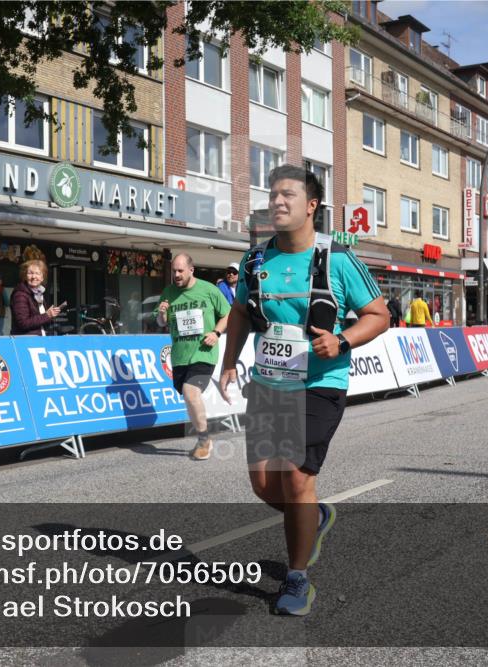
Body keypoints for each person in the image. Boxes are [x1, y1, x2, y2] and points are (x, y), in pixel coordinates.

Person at [218, 165, 389, 616]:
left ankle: (297, 579)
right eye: (273, 195)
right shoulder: (255, 260)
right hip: (271, 384)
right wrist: (231, 361)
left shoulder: (338, 260)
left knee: (295, 477)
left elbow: (378, 315)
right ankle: (314, 517)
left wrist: (343, 339)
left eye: (288, 195)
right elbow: (238, 315)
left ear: (311, 205)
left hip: (320, 382)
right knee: (262, 485)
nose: (277, 202)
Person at [155, 254, 230, 460]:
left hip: (204, 353)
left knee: (190, 393)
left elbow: (227, 314)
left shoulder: (209, 290)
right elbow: (162, 323)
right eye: (174, 271)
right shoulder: (168, 293)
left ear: (191, 270)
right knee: (188, 398)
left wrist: (216, 333)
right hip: (180, 356)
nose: (177, 275)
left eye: (180, 271)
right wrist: (162, 313)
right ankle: (203, 437)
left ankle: (204, 439)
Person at [10, 259, 63, 335]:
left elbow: (40, 320)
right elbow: (23, 323)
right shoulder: (20, 295)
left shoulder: (39, 293)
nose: (34, 276)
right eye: (30, 273)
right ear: (25, 276)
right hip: (26, 341)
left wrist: (51, 315)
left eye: (37, 273)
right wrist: (47, 315)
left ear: (42, 278)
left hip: (39, 339)